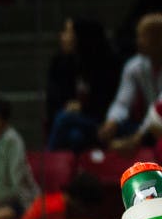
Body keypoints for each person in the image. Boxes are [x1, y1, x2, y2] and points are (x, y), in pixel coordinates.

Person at [98, 13, 162, 151]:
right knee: (107, 131)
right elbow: (122, 102)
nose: (138, 41)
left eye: (144, 36)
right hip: (151, 126)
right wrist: (111, 123)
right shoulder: (135, 65)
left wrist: (136, 139)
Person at [46, 19, 119, 152]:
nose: (62, 36)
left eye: (68, 32)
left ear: (81, 38)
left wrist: (83, 107)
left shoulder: (106, 65)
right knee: (75, 137)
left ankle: (48, 160)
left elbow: (107, 104)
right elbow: (55, 101)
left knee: (63, 118)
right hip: (77, 123)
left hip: (101, 122)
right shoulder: (61, 63)